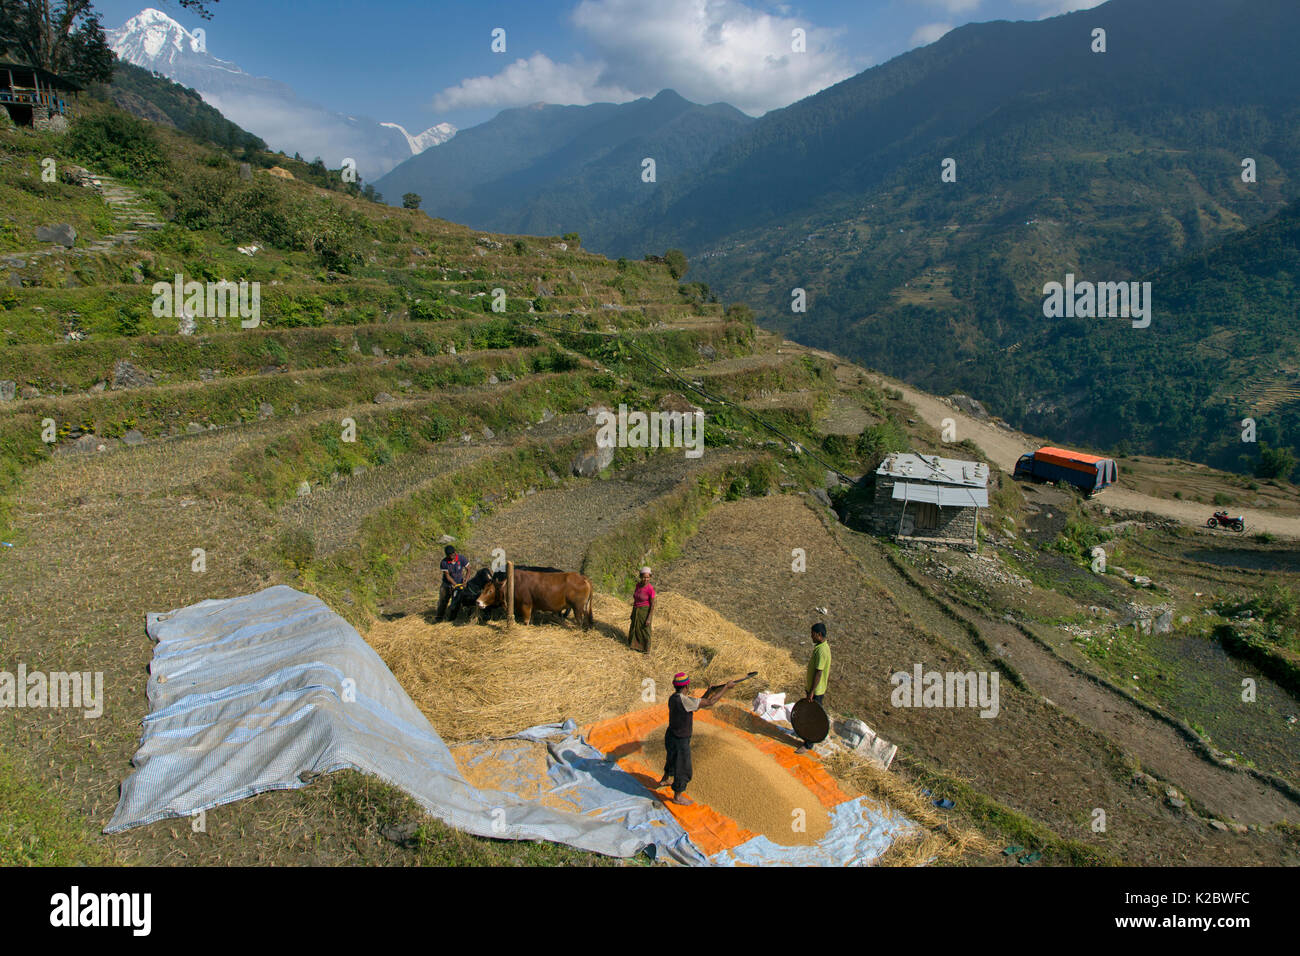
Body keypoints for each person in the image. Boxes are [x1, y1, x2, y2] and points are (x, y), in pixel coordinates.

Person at [655, 672, 733, 806]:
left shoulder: (673, 698)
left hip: (671, 735)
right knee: (683, 767)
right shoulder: (685, 701)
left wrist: (708, 691)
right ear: (686, 686)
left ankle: (665, 779)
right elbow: (710, 702)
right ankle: (678, 797)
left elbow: (696, 705)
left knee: (671, 758)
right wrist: (726, 687)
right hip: (681, 739)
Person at [796, 622, 831, 754]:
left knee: (812, 716)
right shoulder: (821, 646)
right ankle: (808, 738)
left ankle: (808, 744)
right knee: (810, 714)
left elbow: (819, 672)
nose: (811, 637)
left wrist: (812, 692)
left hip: (816, 691)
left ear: (819, 635)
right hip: (815, 689)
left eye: (813, 634)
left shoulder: (822, 651)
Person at [435, 544, 469, 622]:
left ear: (455, 553)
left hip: (459, 583)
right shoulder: (444, 562)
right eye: (449, 555)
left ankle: (451, 619)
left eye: (452, 554)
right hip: (447, 584)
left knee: (456, 601)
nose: (451, 557)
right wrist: (455, 585)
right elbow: (447, 576)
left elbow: (469, 569)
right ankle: (439, 618)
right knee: (443, 600)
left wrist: (465, 580)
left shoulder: (461, 558)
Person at [628, 566, 656, 652]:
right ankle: (635, 646)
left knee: (645, 630)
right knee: (635, 627)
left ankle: (646, 650)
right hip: (636, 609)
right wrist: (633, 612)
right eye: (644, 577)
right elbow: (635, 598)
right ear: (641, 577)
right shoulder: (638, 586)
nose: (646, 579)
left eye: (648, 577)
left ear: (650, 577)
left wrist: (649, 618)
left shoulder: (650, 589)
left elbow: (652, 605)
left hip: (644, 611)